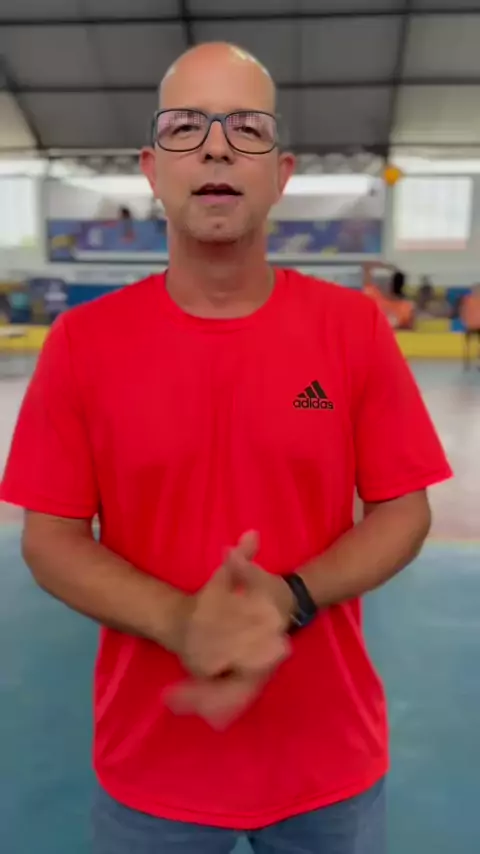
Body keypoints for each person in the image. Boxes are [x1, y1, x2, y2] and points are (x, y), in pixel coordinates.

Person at [0, 43, 453, 854]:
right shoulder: (83, 344)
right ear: (151, 170)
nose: (215, 147)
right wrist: (179, 620)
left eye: (246, 127)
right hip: (153, 770)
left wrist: (292, 596)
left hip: (328, 762)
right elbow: (51, 538)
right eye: (185, 127)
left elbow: (403, 509)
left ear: (281, 174)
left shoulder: (352, 330)